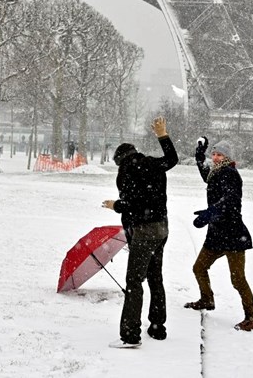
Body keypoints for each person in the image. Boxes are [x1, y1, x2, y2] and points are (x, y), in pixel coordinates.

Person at [102, 116, 178, 348]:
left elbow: (133, 203)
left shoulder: (127, 171)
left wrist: (116, 205)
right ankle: (157, 326)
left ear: (119, 160)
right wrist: (162, 135)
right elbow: (172, 160)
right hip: (161, 228)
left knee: (134, 281)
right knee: (155, 278)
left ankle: (131, 335)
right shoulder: (150, 163)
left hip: (144, 232)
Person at [185, 136, 253, 332]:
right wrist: (200, 155)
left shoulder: (230, 173)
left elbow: (230, 201)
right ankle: (207, 299)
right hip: (217, 234)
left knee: (238, 280)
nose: (215, 158)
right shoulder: (217, 172)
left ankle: (251, 317)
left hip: (233, 235)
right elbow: (205, 175)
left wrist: (210, 213)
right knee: (199, 267)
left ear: (228, 157)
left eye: (220, 155)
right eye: (214, 154)